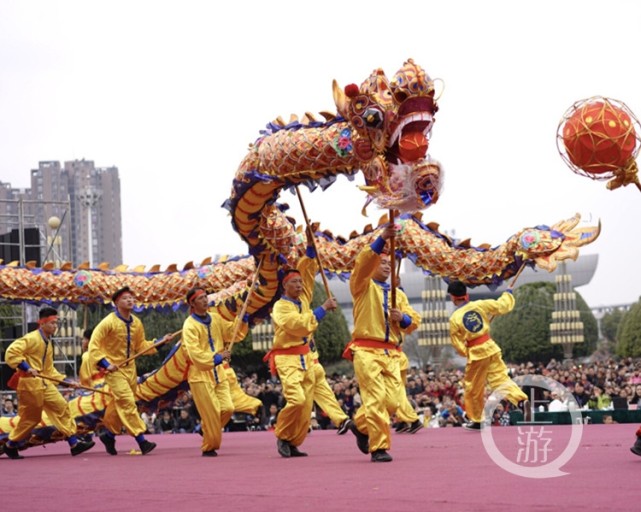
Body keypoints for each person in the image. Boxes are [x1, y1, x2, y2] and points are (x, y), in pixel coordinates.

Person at [343, 225, 421, 462]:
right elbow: (362, 264)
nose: (386, 265)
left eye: (389, 263)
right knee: (375, 399)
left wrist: (403, 318)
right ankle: (379, 447)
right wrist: (382, 239)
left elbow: (413, 322)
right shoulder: (362, 286)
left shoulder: (400, 294)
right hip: (367, 351)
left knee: (394, 402)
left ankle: (359, 425)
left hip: (393, 354)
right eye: (382, 262)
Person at [264, 235, 337, 458]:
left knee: (305, 407)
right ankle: (282, 434)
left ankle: (293, 441)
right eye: (294, 282)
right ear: (285, 285)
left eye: (300, 282)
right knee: (296, 399)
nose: (299, 284)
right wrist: (322, 309)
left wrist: (311, 251)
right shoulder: (280, 307)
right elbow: (297, 326)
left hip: (306, 357)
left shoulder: (302, 300)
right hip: (287, 358)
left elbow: (306, 271)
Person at [2, 307, 95, 459]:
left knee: (62, 407)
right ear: (42, 323)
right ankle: (10, 444)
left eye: (56, 323)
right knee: (31, 419)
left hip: (44, 384)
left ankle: (74, 443)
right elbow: (11, 352)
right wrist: (27, 367)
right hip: (29, 385)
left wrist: (66, 381)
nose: (55, 326)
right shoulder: (31, 338)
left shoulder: (48, 344)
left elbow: (49, 370)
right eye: (52, 323)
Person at [88, 286, 167, 456]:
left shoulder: (136, 323)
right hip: (113, 370)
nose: (130, 300)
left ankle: (109, 435)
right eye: (125, 298)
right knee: (127, 401)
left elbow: (141, 347)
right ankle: (142, 440)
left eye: (131, 297)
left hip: (130, 369)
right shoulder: (108, 322)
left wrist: (160, 342)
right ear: (116, 302)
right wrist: (105, 363)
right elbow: (93, 346)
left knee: (120, 404)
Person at [447, 281, 529, 430]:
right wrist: (508, 294)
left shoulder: (454, 318)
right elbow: (501, 306)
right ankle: (520, 399)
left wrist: (466, 351)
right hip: (491, 347)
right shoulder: (479, 304)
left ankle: (478, 419)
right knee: (500, 378)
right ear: (466, 294)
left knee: (473, 388)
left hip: (476, 353)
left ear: (452, 297)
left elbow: (457, 344)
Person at [180, 286, 243, 456]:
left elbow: (232, 333)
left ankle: (205, 428)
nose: (205, 300)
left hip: (219, 373)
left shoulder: (215, 318)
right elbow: (194, 353)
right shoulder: (189, 325)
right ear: (192, 304)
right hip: (200, 375)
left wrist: (242, 319)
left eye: (205, 297)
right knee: (213, 411)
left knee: (228, 408)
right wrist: (216, 358)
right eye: (200, 298)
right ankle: (209, 447)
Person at [309, 342, 352, 434]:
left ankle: (303, 424)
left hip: (303, 366)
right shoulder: (309, 329)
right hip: (316, 364)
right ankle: (342, 420)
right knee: (327, 397)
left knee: (300, 397)